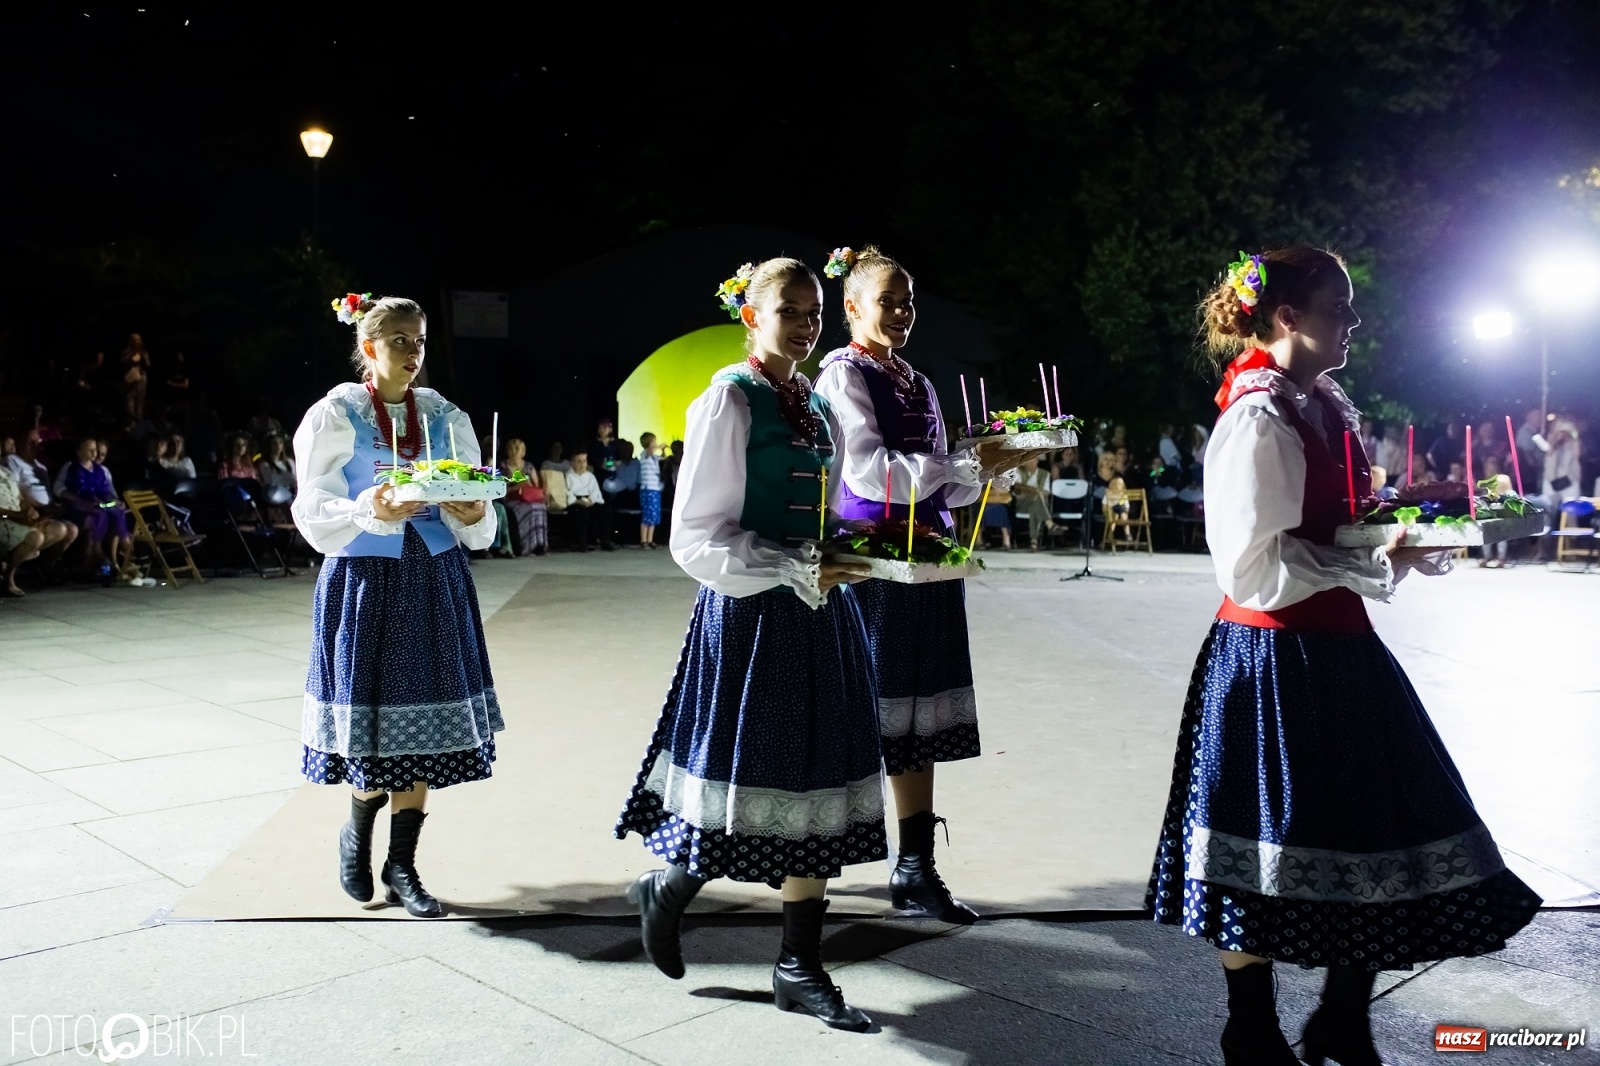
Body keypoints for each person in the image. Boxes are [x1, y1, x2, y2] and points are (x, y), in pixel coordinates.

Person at [1148, 247, 1540, 1065]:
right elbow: (1250, 570)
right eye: (1339, 306)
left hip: (1342, 648)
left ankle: (1342, 1016)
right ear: (1287, 317)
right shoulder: (1256, 417)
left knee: (1379, 823)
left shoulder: (1324, 403)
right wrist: (1370, 560)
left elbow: (1346, 521)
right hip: (1268, 653)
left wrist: (1405, 534)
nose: (1354, 321)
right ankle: (1251, 1030)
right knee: (1256, 837)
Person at [615, 257, 881, 1031]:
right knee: (745, 773)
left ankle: (798, 964)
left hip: (821, 611)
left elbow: (834, 508)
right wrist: (791, 564)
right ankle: (669, 887)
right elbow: (695, 537)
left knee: (815, 780)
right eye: (790, 311)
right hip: (753, 613)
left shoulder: (817, 405)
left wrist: (853, 545)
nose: (805, 325)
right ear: (752, 317)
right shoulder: (729, 399)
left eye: (814, 312)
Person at [814, 245, 1025, 924]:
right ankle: (808, 864)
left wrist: (989, 464)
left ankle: (914, 866)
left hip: (928, 558)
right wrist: (960, 463)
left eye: (909, 302)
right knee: (866, 712)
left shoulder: (918, 381)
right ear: (852, 307)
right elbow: (870, 473)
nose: (903, 313)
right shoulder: (842, 377)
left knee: (916, 716)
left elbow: (948, 485)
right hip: (874, 563)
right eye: (889, 301)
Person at [291, 294, 502, 919]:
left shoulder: (441, 414)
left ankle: (402, 865)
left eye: (420, 340)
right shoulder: (336, 414)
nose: (414, 352)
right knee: (373, 720)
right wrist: (369, 508)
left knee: (424, 724)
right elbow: (313, 506)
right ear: (369, 346)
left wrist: (472, 508)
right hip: (365, 578)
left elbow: (469, 497)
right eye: (401, 340)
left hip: (432, 576)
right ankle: (357, 830)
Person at [55, 438, 134, 579]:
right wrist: (80, 501)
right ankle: (98, 557)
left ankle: (124, 545)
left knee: (116, 511)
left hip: (99, 504)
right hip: (80, 507)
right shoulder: (72, 467)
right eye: (90, 450)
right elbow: (60, 489)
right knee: (99, 516)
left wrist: (115, 501)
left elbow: (106, 491)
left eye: (95, 450)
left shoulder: (99, 470)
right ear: (79, 452)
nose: (94, 453)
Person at [499, 438, 548, 556]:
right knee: (528, 509)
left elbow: (536, 486)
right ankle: (526, 547)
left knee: (539, 508)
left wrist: (527, 483)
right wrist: (516, 486)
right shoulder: (503, 465)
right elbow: (501, 487)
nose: (515, 451)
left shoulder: (528, 466)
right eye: (513, 448)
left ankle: (539, 545)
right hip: (511, 498)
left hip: (528, 498)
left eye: (518, 449)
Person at [564, 451, 613, 551]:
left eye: (584, 461)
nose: (582, 464)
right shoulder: (568, 476)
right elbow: (567, 493)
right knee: (582, 514)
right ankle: (581, 543)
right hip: (576, 502)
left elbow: (595, 491)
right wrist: (578, 501)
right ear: (573, 463)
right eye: (579, 461)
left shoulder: (590, 476)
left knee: (605, 512)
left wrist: (591, 500)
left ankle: (605, 541)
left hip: (589, 500)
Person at [637, 431, 663, 549]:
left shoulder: (654, 457)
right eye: (653, 441)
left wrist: (662, 450)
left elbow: (662, 458)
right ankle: (643, 540)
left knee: (654, 515)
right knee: (647, 514)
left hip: (655, 488)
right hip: (647, 489)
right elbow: (649, 451)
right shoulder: (644, 454)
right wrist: (658, 447)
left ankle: (650, 539)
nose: (655, 443)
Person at [121, 333, 151, 423]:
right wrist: (132, 355)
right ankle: (131, 423)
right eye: (136, 340)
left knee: (140, 403)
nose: (138, 341)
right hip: (130, 379)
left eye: (139, 339)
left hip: (141, 379)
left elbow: (148, 365)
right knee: (129, 401)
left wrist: (143, 357)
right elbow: (123, 362)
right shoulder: (126, 352)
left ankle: (139, 424)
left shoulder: (143, 352)